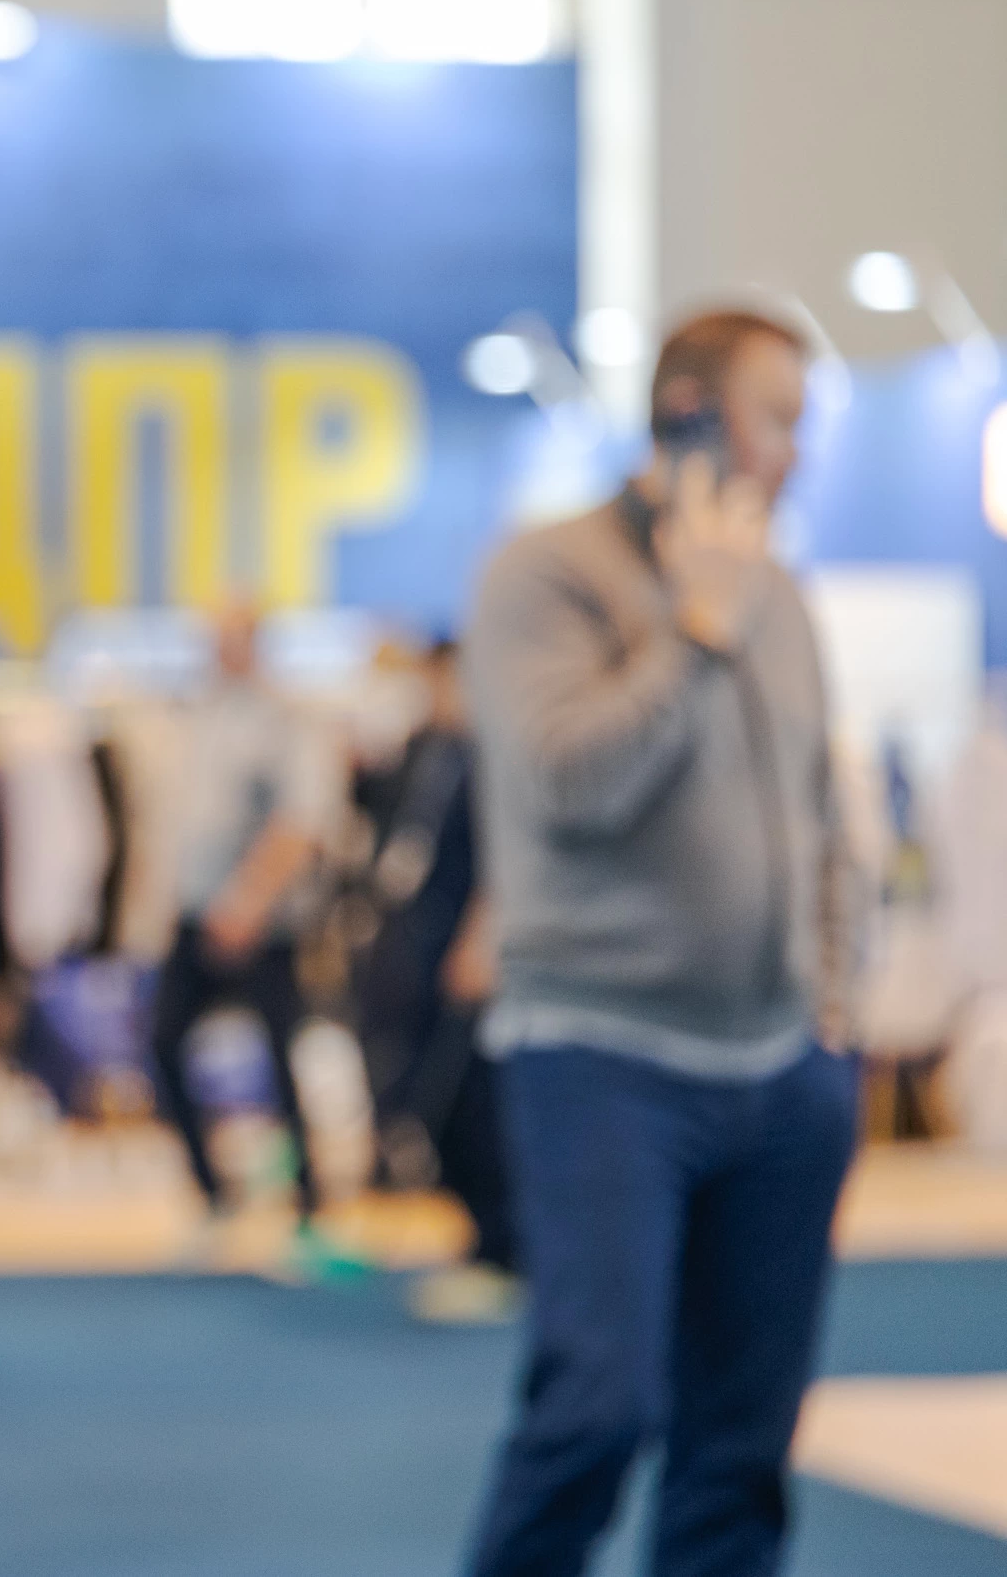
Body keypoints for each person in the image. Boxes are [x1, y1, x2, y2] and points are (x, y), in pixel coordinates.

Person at [461, 309, 859, 1577]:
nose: (794, 451)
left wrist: (835, 1001)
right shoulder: (545, 574)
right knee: (597, 1408)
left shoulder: (781, 594)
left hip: (780, 1069)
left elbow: (818, 815)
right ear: (688, 411)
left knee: (740, 1450)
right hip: (601, 1053)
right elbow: (568, 783)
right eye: (775, 417)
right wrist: (692, 635)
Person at [142, 599, 342, 1257]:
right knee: (162, 1042)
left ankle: (310, 1206)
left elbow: (300, 821)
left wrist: (249, 902)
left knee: (280, 1057)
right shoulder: (199, 714)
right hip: (196, 911)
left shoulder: (283, 719)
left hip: (263, 922)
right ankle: (213, 1194)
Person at [347, 639, 516, 1321]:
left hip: (469, 951)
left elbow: (507, 861)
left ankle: (503, 1249)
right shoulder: (429, 753)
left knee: (472, 1102)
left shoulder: (498, 759)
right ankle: (479, 1238)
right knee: (417, 1090)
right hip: (415, 945)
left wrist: (483, 938)